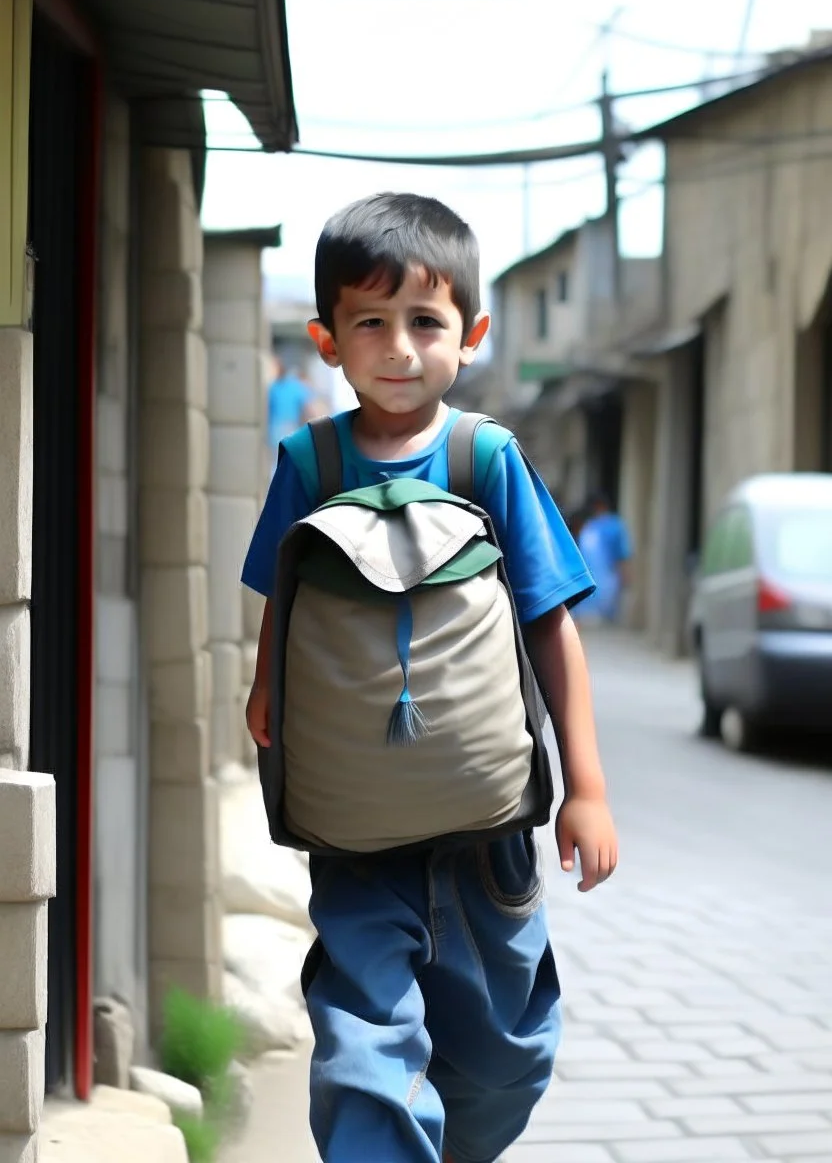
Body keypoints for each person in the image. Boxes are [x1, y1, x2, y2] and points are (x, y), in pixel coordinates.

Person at [242, 193, 618, 1163]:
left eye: (424, 321)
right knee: (365, 1040)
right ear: (327, 340)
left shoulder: (483, 457)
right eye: (370, 322)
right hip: (354, 828)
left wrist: (587, 787)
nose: (398, 347)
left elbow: (549, 622)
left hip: (483, 830)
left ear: (471, 335)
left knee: (504, 1057)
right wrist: (265, 688)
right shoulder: (308, 461)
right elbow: (282, 590)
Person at [574, 492, 633, 626]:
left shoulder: (590, 526)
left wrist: (625, 575)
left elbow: (621, 555)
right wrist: (626, 576)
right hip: (606, 584)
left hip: (593, 585)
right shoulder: (610, 525)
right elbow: (622, 555)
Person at [266, 351, 318, 465]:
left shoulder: (273, 387)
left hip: (277, 428)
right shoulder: (292, 385)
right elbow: (310, 408)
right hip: (287, 427)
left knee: (276, 462)